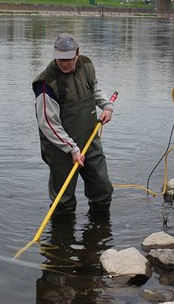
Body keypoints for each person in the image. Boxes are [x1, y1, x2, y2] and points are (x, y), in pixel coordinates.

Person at [32, 32, 114, 214]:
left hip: (89, 139)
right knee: (63, 202)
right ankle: (62, 238)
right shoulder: (46, 84)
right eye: (60, 59)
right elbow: (48, 123)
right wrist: (72, 149)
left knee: (102, 190)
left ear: (77, 53)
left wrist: (106, 106)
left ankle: (99, 235)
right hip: (60, 148)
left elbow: (94, 88)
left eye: (69, 59)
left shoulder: (86, 65)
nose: (65, 63)